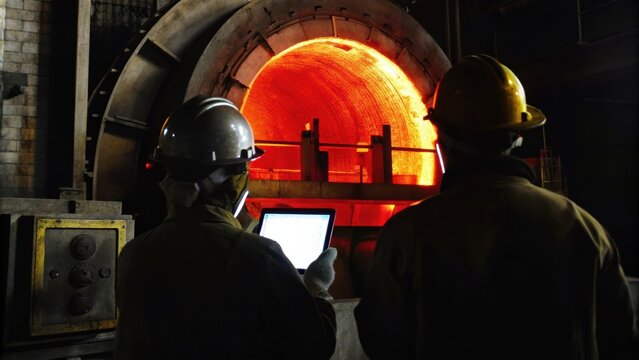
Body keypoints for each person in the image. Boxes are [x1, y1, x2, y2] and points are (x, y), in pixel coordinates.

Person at [354, 54, 636, 359]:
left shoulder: (408, 233)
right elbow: (620, 341)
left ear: (442, 139)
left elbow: (380, 340)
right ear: (517, 136)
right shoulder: (584, 229)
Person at [114, 96, 337, 359]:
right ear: (234, 179)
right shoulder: (258, 257)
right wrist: (317, 289)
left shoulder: (133, 253)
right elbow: (316, 346)